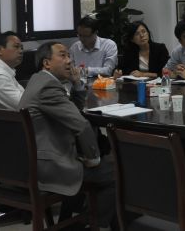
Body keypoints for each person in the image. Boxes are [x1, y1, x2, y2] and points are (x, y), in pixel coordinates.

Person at [19, 42, 115, 230]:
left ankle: (69, 223)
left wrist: (77, 83)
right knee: (117, 170)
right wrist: (93, 159)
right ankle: (88, 224)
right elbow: (82, 125)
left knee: (103, 164)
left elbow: (72, 113)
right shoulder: (48, 87)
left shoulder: (38, 80)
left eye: (69, 56)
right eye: (63, 55)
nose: (70, 60)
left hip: (37, 160)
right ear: (47, 63)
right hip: (51, 166)